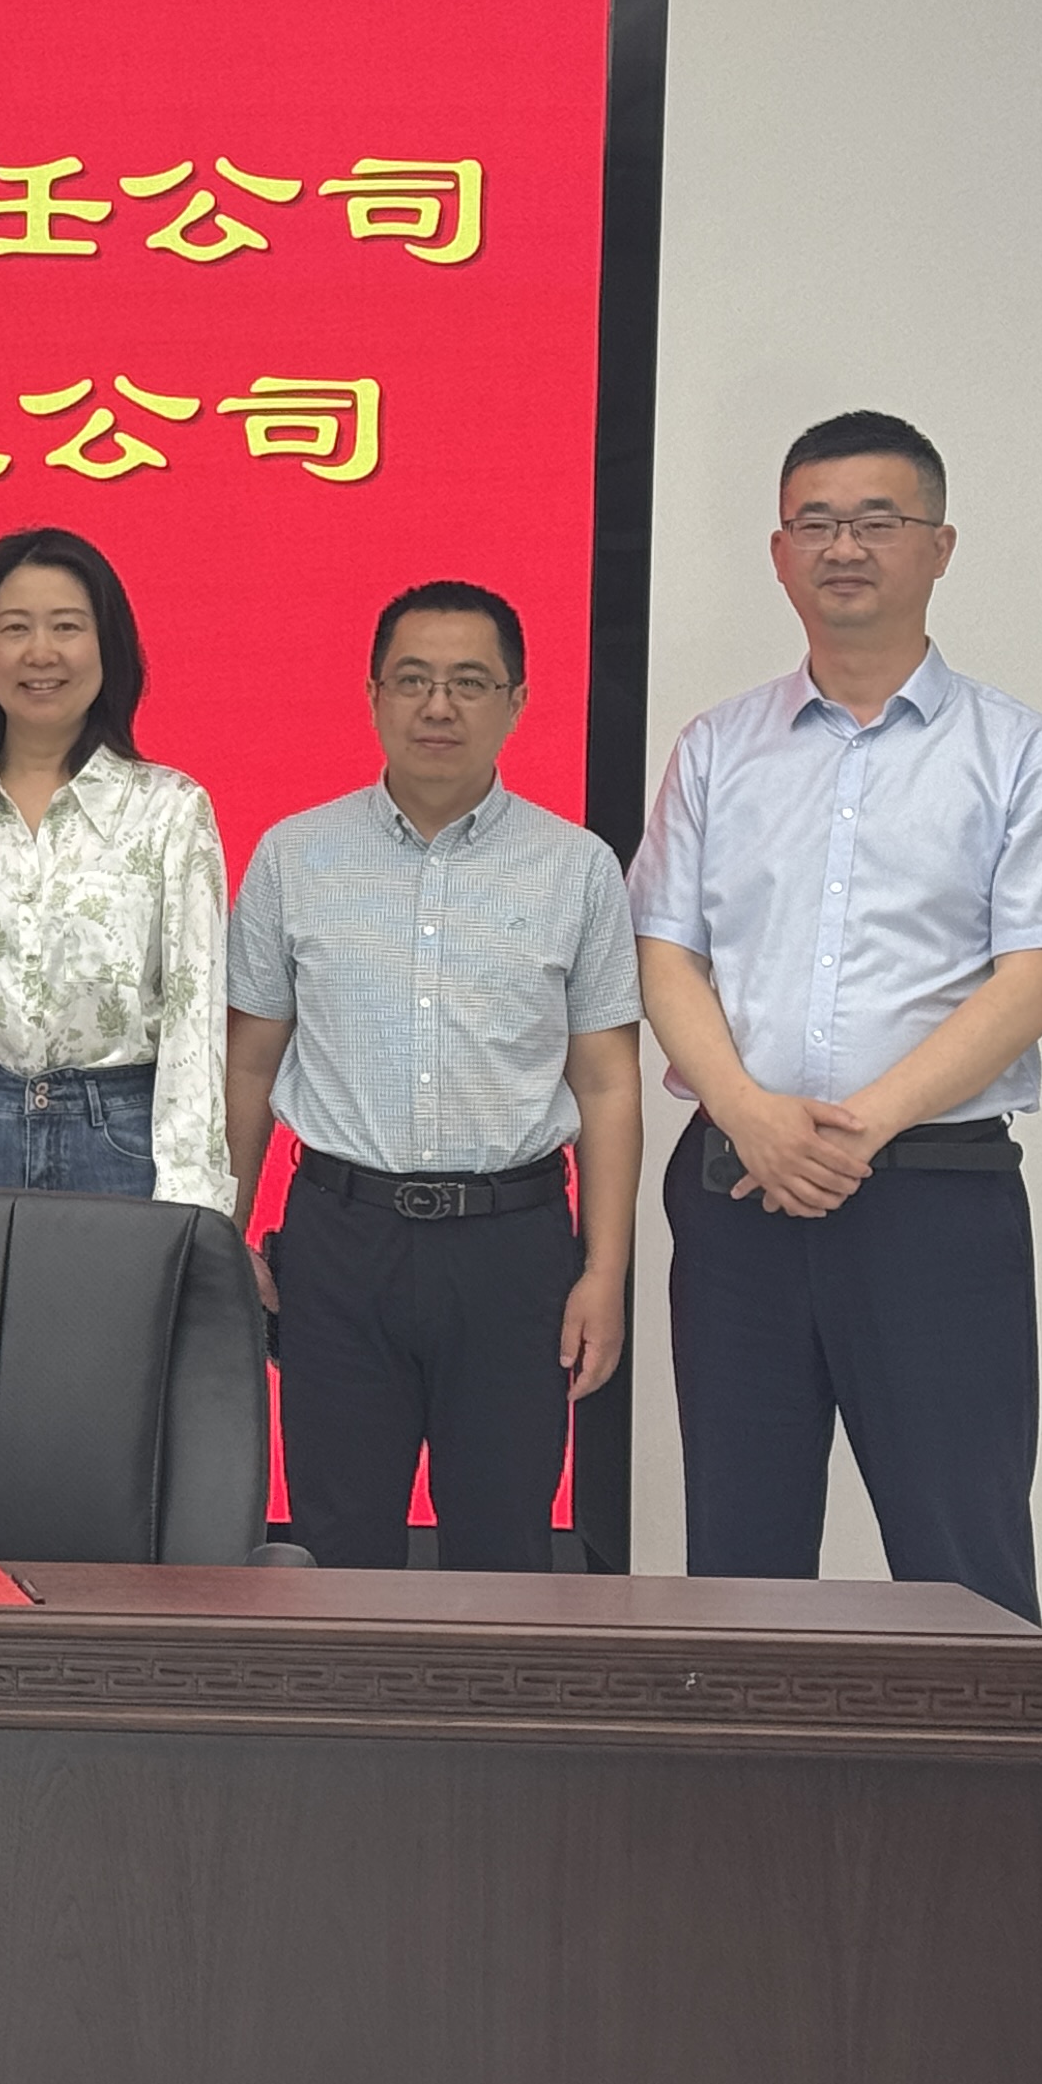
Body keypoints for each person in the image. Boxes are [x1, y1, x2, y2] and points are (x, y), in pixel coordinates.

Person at [632, 411, 1042, 1622]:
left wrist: (857, 1130)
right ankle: (743, 1763)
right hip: (739, 1194)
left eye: (877, 522)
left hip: (934, 1201)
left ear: (939, 546)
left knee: (963, 1550)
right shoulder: (718, 749)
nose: (844, 547)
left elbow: (1034, 983)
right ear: (779, 553)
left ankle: (986, 1764)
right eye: (816, 523)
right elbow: (666, 955)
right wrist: (751, 1117)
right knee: (739, 1555)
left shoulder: (1020, 753)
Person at [224, 581, 642, 1573]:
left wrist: (604, 1272)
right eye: (412, 681)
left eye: (469, 683)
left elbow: (608, 1084)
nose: (438, 706)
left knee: (505, 1554)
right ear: (373, 696)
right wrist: (222, 1236)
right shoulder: (293, 856)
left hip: (513, 1252)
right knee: (336, 1551)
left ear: (517, 701)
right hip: (340, 1245)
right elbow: (247, 1062)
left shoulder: (578, 867)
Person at [0, 525, 230, 1212]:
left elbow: (196, 1021)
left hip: (121, 1142)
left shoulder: (171, 809)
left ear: (108, 646)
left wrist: (194, 1201)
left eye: (67, 626)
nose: (41, 652)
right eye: (15, 628)